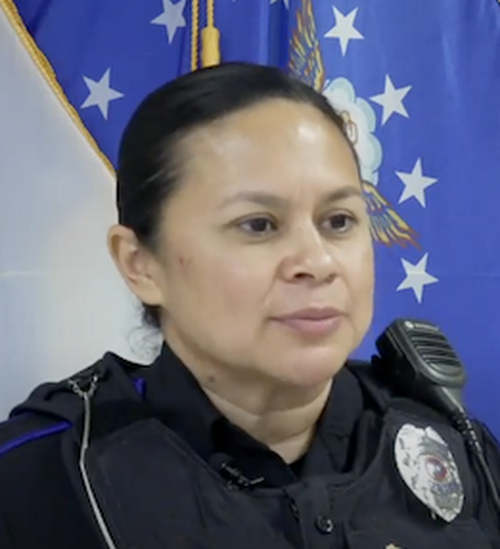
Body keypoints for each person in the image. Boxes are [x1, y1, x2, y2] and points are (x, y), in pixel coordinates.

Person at [0, 62, 499, 549]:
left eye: (339, 221)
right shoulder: (45, 478)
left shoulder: (457, 448)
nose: (317, 262)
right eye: (258, 225)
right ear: (141, 264)